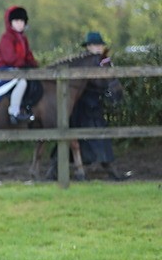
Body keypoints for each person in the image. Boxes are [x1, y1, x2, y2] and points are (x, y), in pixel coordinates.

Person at [50, 32, 127, 180]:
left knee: (96, 134)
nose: (98, 48)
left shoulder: (103, 60)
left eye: (99, 45)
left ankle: (109, 168)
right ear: (89, 47)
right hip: (81, 103)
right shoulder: (83, 61)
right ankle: (56, 168)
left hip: (92, 102)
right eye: (95, 45)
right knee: (80, 136)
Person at [0, 5, 38, 124]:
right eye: (16, 21)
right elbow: (9, 57)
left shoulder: (23, 38)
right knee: (22, 81)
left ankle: (28, 107)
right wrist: (23, 64)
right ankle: (13, 112)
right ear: (11, 23)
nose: (19, 24)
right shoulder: (6, 38)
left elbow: (28, 54)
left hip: (18, 68)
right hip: (6, 68)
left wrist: (33, 64)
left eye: (22, 21)